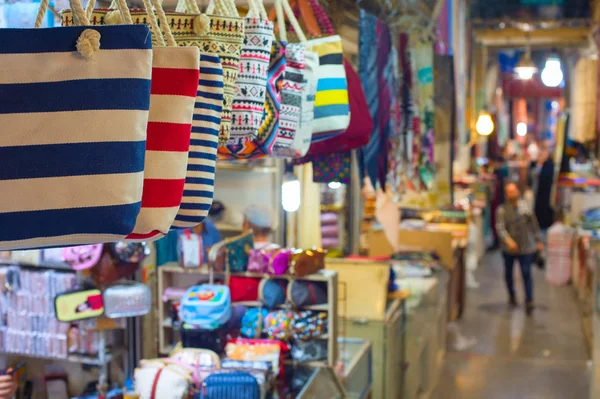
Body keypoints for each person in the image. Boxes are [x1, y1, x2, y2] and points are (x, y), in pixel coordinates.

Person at [495, 182, 544, 315]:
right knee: (509, 274)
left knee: (526, 272)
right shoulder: (501, 210)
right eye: (509, 192)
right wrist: (508, 241)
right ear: (506, 194)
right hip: (508, 249)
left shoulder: (526, 208)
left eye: (514, 191)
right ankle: (511, 295)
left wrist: (538, 240)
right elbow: (500, 228)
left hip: (525, 247)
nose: (512, 194)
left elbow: (534, 225)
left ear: (518, 192)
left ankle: (529, 300)